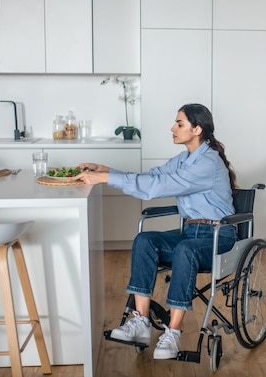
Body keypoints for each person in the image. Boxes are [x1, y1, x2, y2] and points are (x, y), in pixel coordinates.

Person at [75, 103, 238, 360]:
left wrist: (106, 178)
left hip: (219, 236)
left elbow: (157, 186)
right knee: (144, 240)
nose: (172, 128)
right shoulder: (184, 159)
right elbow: (152, 176)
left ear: (197, 129)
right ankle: (140, 322)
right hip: (190, 234)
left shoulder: (207, 162)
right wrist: (105, 171)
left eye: (179, 123)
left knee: (185, 250)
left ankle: (172, 333)